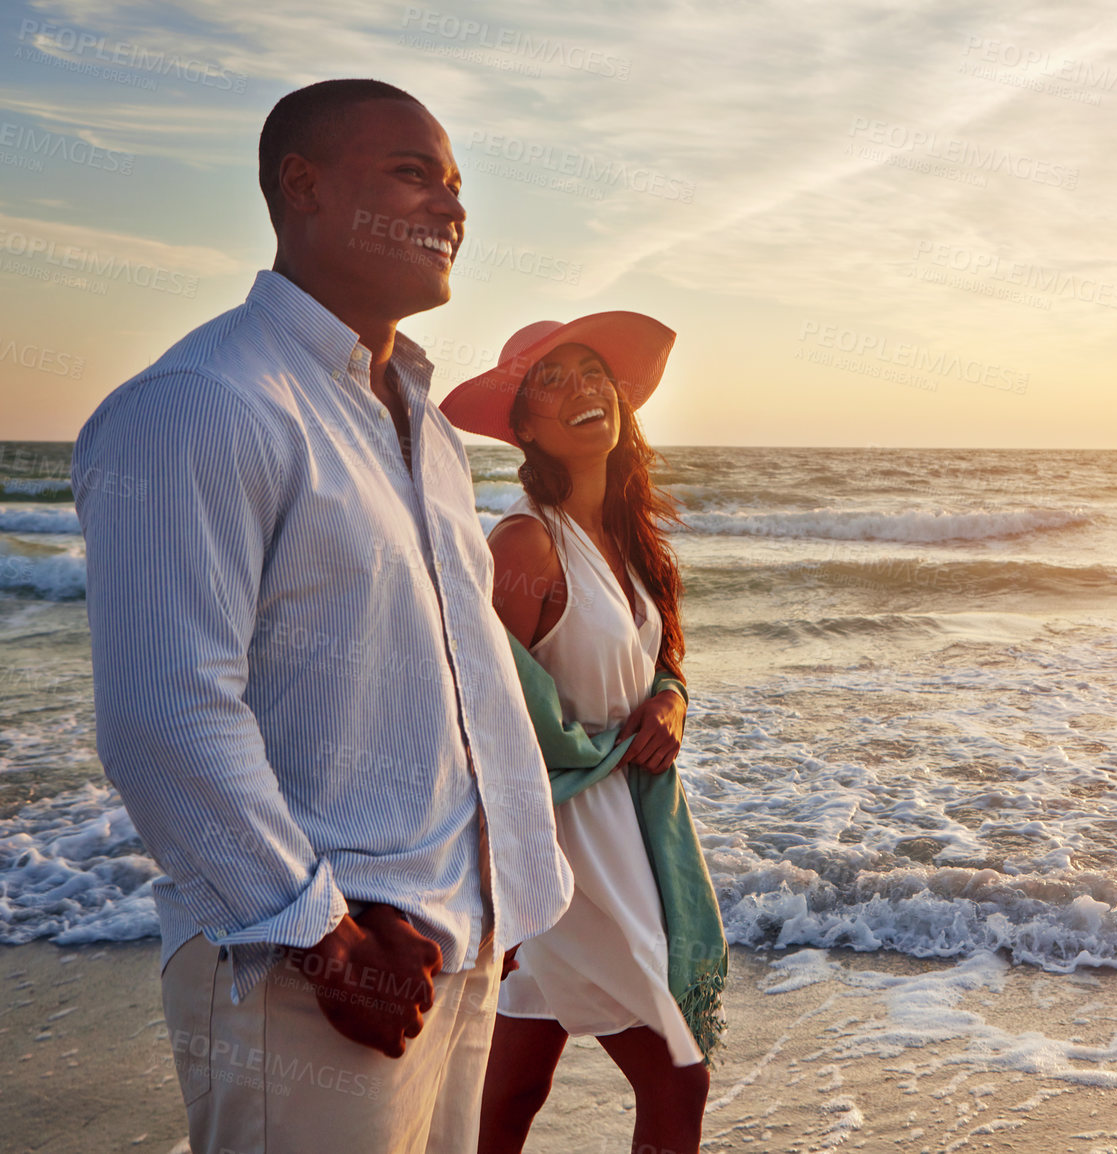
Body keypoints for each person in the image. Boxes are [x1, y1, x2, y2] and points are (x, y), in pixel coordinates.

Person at [71, 79, 573, 1153]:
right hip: (309, 965)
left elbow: (459, 678)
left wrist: (503, 892)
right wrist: (323, 936)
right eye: (412, 172)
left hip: (446, 943)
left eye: (455, 182)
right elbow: (167, 711)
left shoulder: (422, 424)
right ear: (300, 186)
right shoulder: (205, 401)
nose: (451, 205)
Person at [439, 315, 722, 1154]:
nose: (583, 388)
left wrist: (670, 705)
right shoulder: (526, 543)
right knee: (678, 1075)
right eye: (551, 380)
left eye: (592, 370)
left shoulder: (633, 542)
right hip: (557, 846)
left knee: (518, 1079)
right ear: (524, 425)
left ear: (622, 398)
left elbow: (664, 662)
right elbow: (474, 715)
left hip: (622, 826)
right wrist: (495, 882)